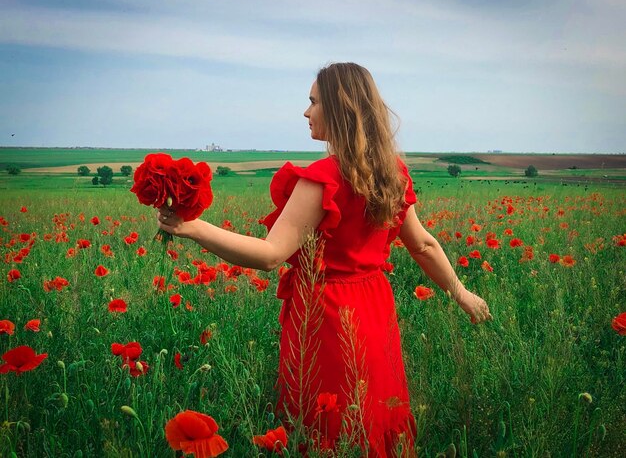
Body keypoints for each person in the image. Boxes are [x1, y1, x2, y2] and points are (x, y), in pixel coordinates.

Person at [157, 62, 491, 457]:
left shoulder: (323, 178)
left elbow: (269, 255)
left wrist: (194, 228)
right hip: (373, 309)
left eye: (313, 102)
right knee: (371, 416)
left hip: (327, 317)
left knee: (328, 424)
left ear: (339, 108)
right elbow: (424, 246)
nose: (306, 111)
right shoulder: (392, 174)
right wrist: (461, 292)